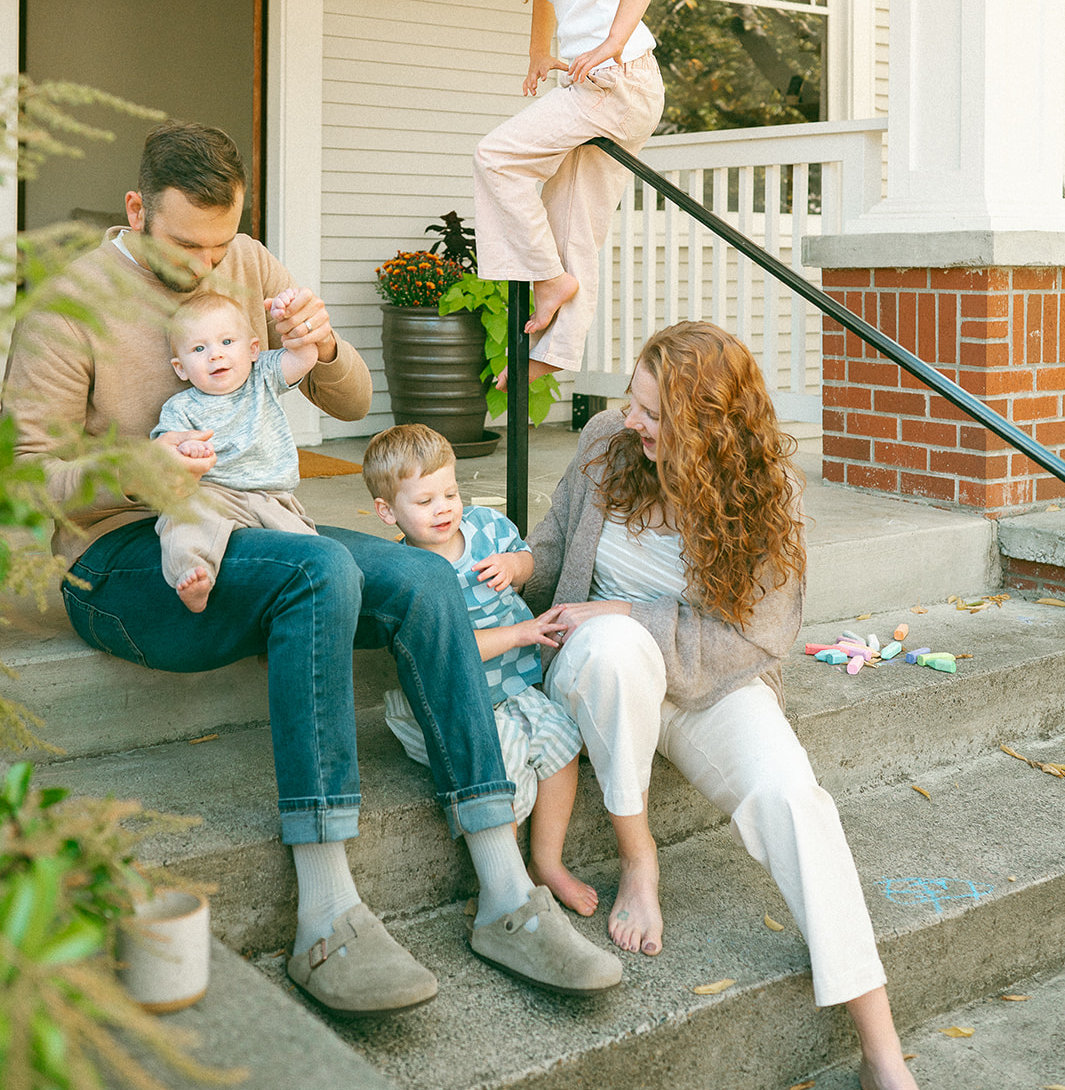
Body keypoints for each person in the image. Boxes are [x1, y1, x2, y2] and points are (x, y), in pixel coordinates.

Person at [2, 120, 621, 1014]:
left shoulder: (246, 261)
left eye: (222, 243)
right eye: (185, 245)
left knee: (417, 579)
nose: (208, 267)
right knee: (317, 572)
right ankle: (327, 913)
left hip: (256, 528)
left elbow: (354, 398)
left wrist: (325, 347)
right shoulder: (67, 306)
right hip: (119, 558)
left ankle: (504, 890)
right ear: (136, 210)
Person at [524, 322, 919, 1090]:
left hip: (710, 683)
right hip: (599, 675)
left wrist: (628, 614)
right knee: (612, 651)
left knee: (793, 798)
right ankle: (639, 863)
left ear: (706, 425)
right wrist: (514, 564)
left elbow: (760, 636)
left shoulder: (764, 496)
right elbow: (554, 549)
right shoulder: (607, 441)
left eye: (652, 412)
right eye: (632, 402)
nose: (630, 419)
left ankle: (881, 1052)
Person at [363, 423, 597, 918]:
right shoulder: (402, 574)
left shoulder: (488, 528)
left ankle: (547, 863)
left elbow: (531, 559)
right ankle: (497, 881)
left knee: (562, 742)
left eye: (450, 492)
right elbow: (443, 653)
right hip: (458, 703)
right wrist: (520, 632)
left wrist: (516, 567)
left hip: (515, 687)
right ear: (388, 512)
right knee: (502, 768)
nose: (444, 507)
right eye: (424, 502)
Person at [473, 0, 665, 386]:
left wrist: (614, 39)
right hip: (615, 87)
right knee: (575, 223)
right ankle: (552, 352)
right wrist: (539, 51)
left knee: (497, 156)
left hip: (616, 82)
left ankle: (546, 280)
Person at [150, 290, 317, 612]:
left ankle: (290, 615)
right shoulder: (180, 407)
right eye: (199, 348)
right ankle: (193, 574)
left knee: (313, 551)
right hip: (212, 493)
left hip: (272, 496)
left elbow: (303, 359)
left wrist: (293, 327)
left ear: (253, 349)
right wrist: (188, 448)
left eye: (227, 342)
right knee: (181, 521)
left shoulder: (264, 375)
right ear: (180, 367)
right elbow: (166, 451)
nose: (215, 355)